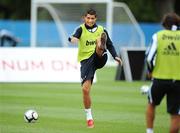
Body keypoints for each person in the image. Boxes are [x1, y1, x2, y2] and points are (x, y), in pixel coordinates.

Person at [68, 9, 122, 128]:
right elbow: (74, 38)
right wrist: (72, 39)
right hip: (87, 61)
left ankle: (99, 44)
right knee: (85, 90)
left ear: (95, 19)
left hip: (100, 57)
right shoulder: (80, 29)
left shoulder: (102, 30)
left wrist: (116, 56)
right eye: (88, 18)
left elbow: (110, 44)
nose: (90, 20)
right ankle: (89, 117)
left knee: (99, 42)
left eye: (92, 18)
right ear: (84, 18)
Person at [145, 12, 180, 133]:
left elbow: (149, 58)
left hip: (159, 78)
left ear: (164, 24)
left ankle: (149, 131)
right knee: (175, 115)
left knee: (151, 104)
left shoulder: (158, 36)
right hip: (178, 81)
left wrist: (150, 71)